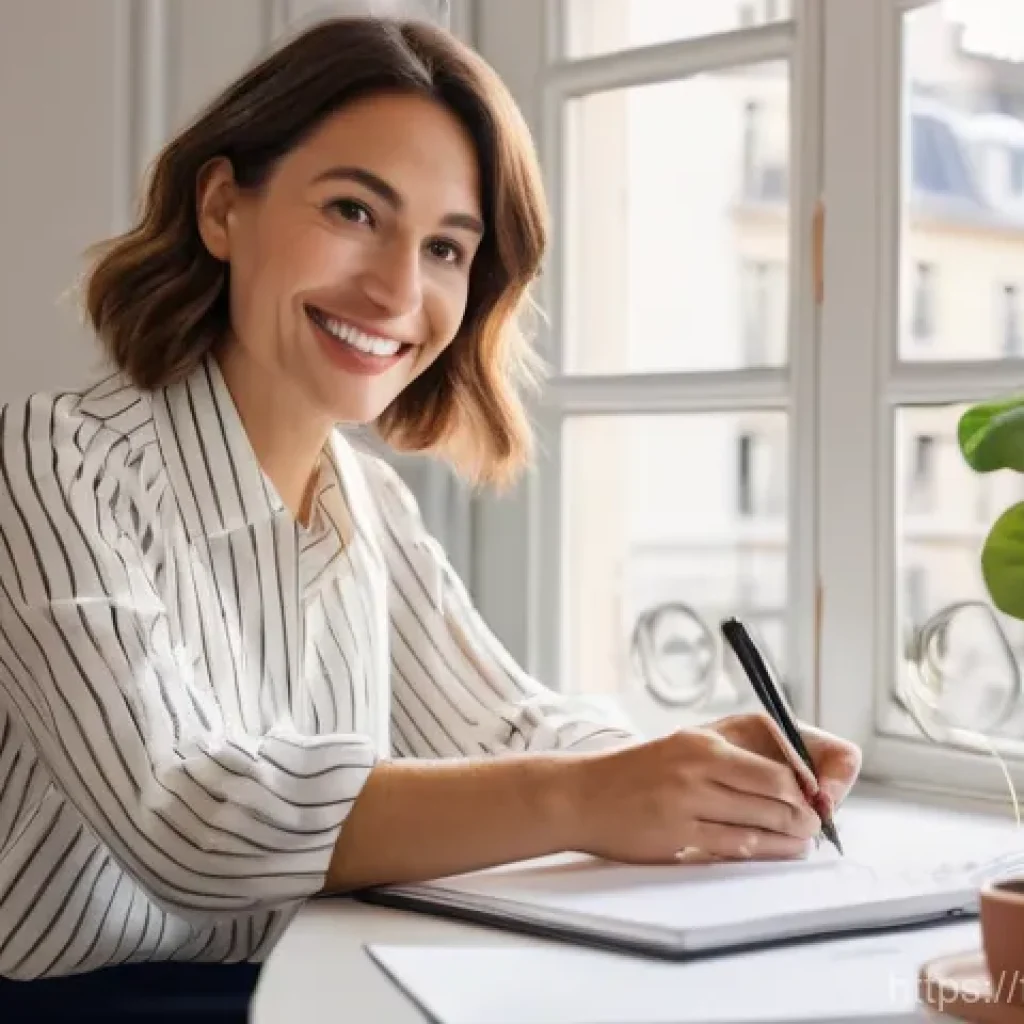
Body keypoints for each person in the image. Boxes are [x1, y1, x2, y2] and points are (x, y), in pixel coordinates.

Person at [0, 14, 862, 1020]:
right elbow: (186, 814)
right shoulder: (51, 458)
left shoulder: (370, 501)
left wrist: (685, 766)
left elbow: (503, 724)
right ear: (223, 206)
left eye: (447, 247)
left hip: (306, 985)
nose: (398, 289)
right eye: (354, 211)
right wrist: (589, 795)